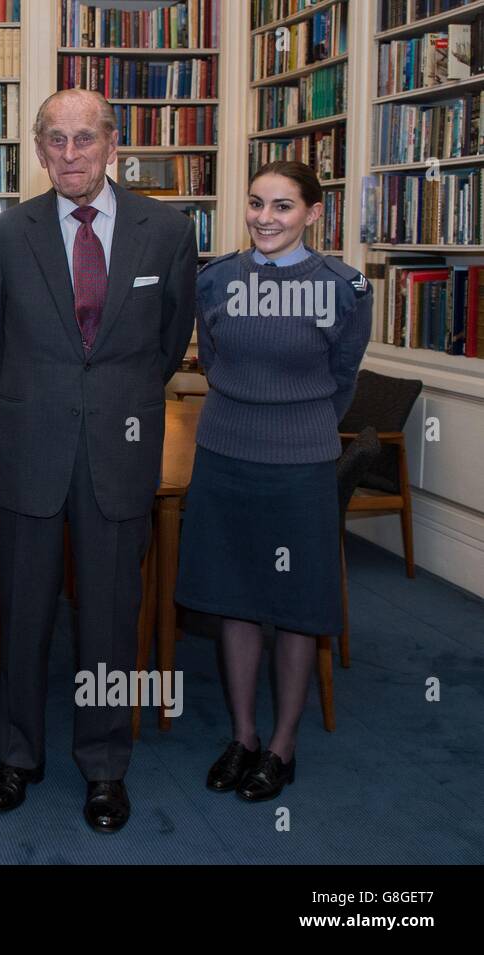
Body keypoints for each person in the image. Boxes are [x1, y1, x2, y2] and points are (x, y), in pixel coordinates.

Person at [0, 88, 196, 833]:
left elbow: (168, 342)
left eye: (84, 139)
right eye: (55, 141)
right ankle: (17, 756)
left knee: (108, 618)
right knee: (23, 613)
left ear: (112, 144)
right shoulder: (4, 237)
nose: (70, 154)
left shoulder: (165, 231)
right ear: (39, 151)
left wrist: (117, 406)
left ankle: (104, 765)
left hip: (119, 452)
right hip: (31, 449)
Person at [176, 160, 372, 801]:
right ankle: (244, 737)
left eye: (283, 206)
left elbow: (342, 379)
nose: (265, 218)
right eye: (257, 203)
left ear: (314, 213)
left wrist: (297, 426)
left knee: (293, 610)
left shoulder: (346, 288)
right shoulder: (215, 281)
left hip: (300, 466)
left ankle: (282, 746)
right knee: (233, 600)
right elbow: (215, 358)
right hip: (224, 456)